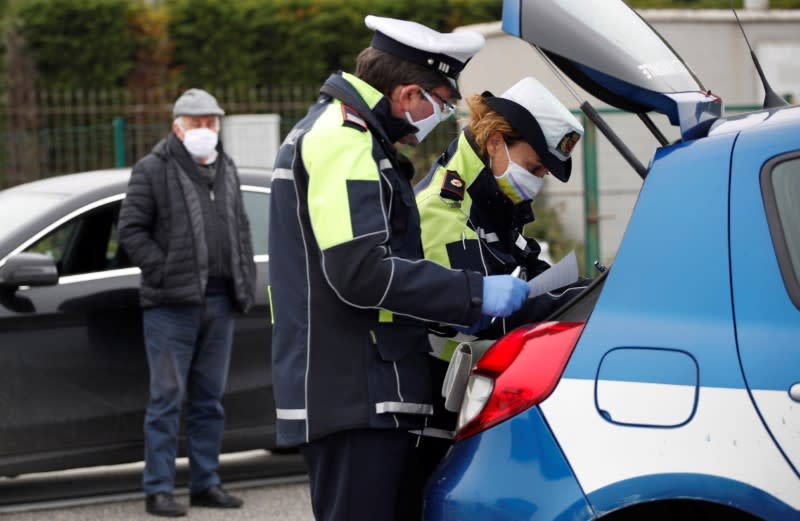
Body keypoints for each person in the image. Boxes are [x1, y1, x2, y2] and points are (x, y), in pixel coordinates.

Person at [268, 15, 530, 521]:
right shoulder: (344, 139)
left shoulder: (356, 138)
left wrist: (454, 307)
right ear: (409, 94)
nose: (440, 116)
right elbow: (360, 271)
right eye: (440, 103)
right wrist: (474, 294)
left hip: (364, 389)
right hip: (353, 394)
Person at [413, 76, 585, 473]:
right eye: (535, 167)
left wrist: (583, 289)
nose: (537, 180)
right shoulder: (442, 209)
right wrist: (565, 300)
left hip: (475, 404)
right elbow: (481, 318)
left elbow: (522, 272)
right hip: (435, 413)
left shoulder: (490, 205)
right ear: (495, 143)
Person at [118, 88, 256, 517]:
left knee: (208, 400)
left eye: (211, 122)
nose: (205, 130)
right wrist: (164, 270)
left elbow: (241, 229)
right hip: (170, 306)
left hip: (218, 302)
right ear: (177, 126)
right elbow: (131, 232)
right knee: (166, 399)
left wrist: (244, 279)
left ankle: (205, 484)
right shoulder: (152, 169)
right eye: (197, 123)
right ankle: (158, 489)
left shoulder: (227, 168)